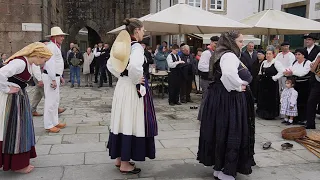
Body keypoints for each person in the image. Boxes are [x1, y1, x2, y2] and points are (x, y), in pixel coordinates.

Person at [197, 30, 254, 180]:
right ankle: (226, 170)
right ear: (231, 41)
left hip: (219, 96)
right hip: (228, 98)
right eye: (240, 41)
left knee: (221, 130)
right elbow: (228, 74)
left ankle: (219, 167)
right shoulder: (229, 55)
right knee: (231, 130)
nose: (242, 44)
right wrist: (239, 85)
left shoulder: (220, 53)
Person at [107, 18, 157, 174]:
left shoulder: (122, 45)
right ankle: (125, 164)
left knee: (121, 119)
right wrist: (136, 79)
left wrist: (122, 73)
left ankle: (120, 158)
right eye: (143, 30)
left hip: (122, 86)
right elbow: (135, 66)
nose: (144, 32)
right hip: (131, 87)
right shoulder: (136, 48)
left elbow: (110, 64)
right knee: (131, 119)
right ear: (136, 31)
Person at [0, 42, 52, 173]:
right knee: (15, 129)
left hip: (19, 97)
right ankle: (18, 165)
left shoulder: (27, 62)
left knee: (21, 129)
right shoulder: (20, 63)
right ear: (38, 55)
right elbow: (1, 73)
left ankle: (19, 163)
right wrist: (6, 88)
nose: (43, 63)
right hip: (11, 100)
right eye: (44, 59)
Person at [31, 40, 66, 116]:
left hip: (41, 75)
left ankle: (32, 109)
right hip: (40, 76)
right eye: (46, 44)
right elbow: (35, 67)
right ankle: (55, 109)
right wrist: (39, 79)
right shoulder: (39, 52)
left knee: (38, 93)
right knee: (47, 94)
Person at [43, 26, 68, 133]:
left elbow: (57, 64)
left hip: (55, 76)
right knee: (50, 101)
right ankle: (48, 124)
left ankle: (54, 121)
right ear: (55, 37)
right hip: (50, 77)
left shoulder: (55, 46)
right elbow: (49, 64)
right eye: (61, 36)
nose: (63, 38)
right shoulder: (51, 47)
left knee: (55, 101)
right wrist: (53, 79)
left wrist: (59, 77)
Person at [284, 48, 311, 125]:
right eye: (296, 54)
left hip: (304, 85)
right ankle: (294, 118)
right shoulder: (295, 62)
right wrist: (287, 71)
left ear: (303, 55)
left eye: (299, 54)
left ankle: (303, 119)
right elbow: (290, 69)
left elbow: (302, 73)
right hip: (296, 84)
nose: (297, 56)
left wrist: (292, 72)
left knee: (302, 102)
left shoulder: (307, 62)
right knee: (294, 102)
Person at [256, 46, 284, 120]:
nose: (268, 55)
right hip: (263, 83)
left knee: (271, 99)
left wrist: (274, 78)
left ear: (273, 55)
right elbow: (260, 71)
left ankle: (270, 114)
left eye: (269, 54)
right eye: (267, 54)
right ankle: (262, 114)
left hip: (272, 84)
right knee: (263, 98)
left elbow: (282, 72)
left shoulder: (276, 63)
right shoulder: (264, 63)